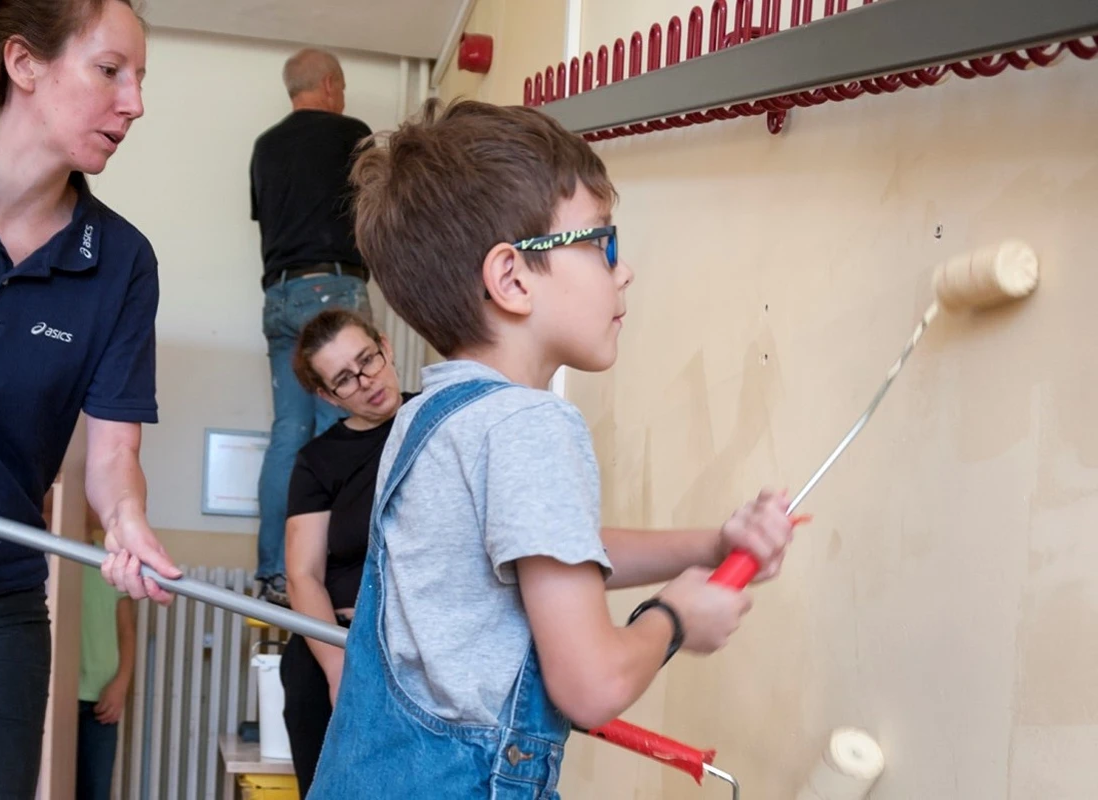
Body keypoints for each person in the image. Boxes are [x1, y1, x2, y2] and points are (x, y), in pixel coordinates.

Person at [305, 99, 796, 799]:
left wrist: (711, 544)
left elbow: (551, 547)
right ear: (511, 278)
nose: (622, 272)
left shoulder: (426, 420)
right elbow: (591, 683)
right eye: (602, 243)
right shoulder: (531, 427)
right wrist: (677, 617)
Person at [0, 1, 181, 796]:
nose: (135, 102)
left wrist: (126, 522)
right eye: (109, 71)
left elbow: (114, 451)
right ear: (24, 64)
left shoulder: (121, 263)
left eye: (139, 78)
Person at [249, 48, 375, 607]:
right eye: (341, 87)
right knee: (342, 427)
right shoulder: (353, 134)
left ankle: (277, 573)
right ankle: (327, 576)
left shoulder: (266, 146)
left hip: (279, 296)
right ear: (329, 84)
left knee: (288, 435)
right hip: (334, 289)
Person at [277, 307, 414, 792]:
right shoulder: (318, 462)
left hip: (419, 654)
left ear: (385, 345)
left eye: (368, 360)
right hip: (337, 648)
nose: (366, 382)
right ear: (325, 396)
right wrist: (339, 669)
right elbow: (303, 575)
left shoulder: (440, 417)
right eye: (344, 381)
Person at [77, 533, 135, 800]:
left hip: (100, 702)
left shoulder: (108, 562)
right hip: (53, 699)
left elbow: (127, 631)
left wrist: (120, 685)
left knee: (96, 791)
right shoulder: (42, 554)